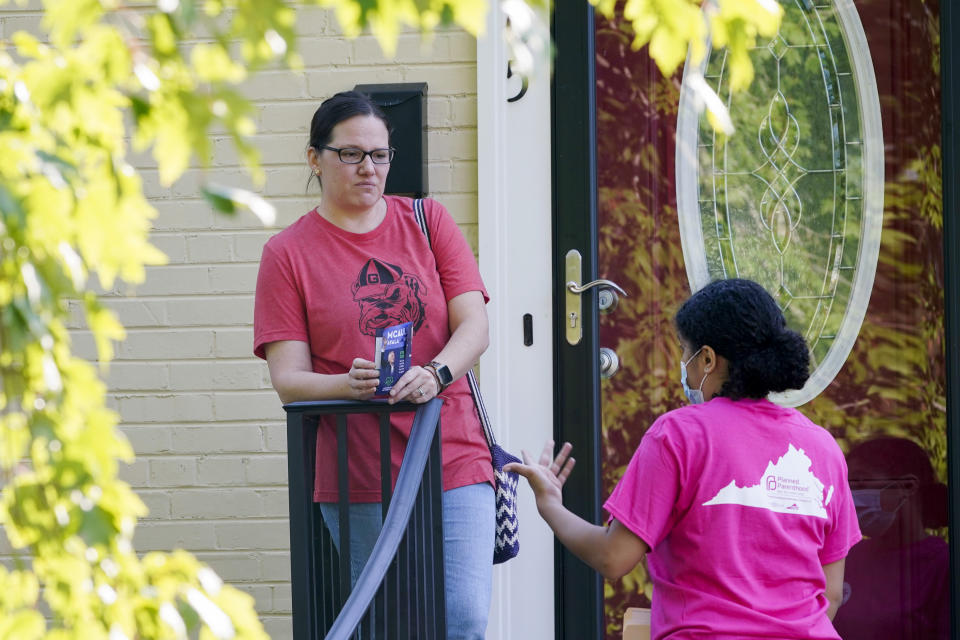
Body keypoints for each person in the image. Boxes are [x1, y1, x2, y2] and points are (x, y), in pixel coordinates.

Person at [253, 90, 494, 639]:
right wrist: (348, 383)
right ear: (315, 158)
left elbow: (474, 327)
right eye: (351, 154)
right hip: (357, 469)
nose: (370, 168)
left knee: (463, 620)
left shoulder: (428, 221)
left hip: (452, 452)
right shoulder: (288, 254)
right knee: (391, 626)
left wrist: (435, 374)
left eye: (380, 155)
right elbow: (288, 381)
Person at [507, 278, 862, 639]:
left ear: (707, 358)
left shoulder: (678, 436)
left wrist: (551, 505)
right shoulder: (823, 449)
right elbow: (830, 595)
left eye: (684, 351)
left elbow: (613, 558)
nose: (682, 365)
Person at [833, 436, 949, 639]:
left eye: (860, 482)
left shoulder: (943, 565)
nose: (852, 496)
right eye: (848, 486)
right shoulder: (848, 559)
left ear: (907, 487)